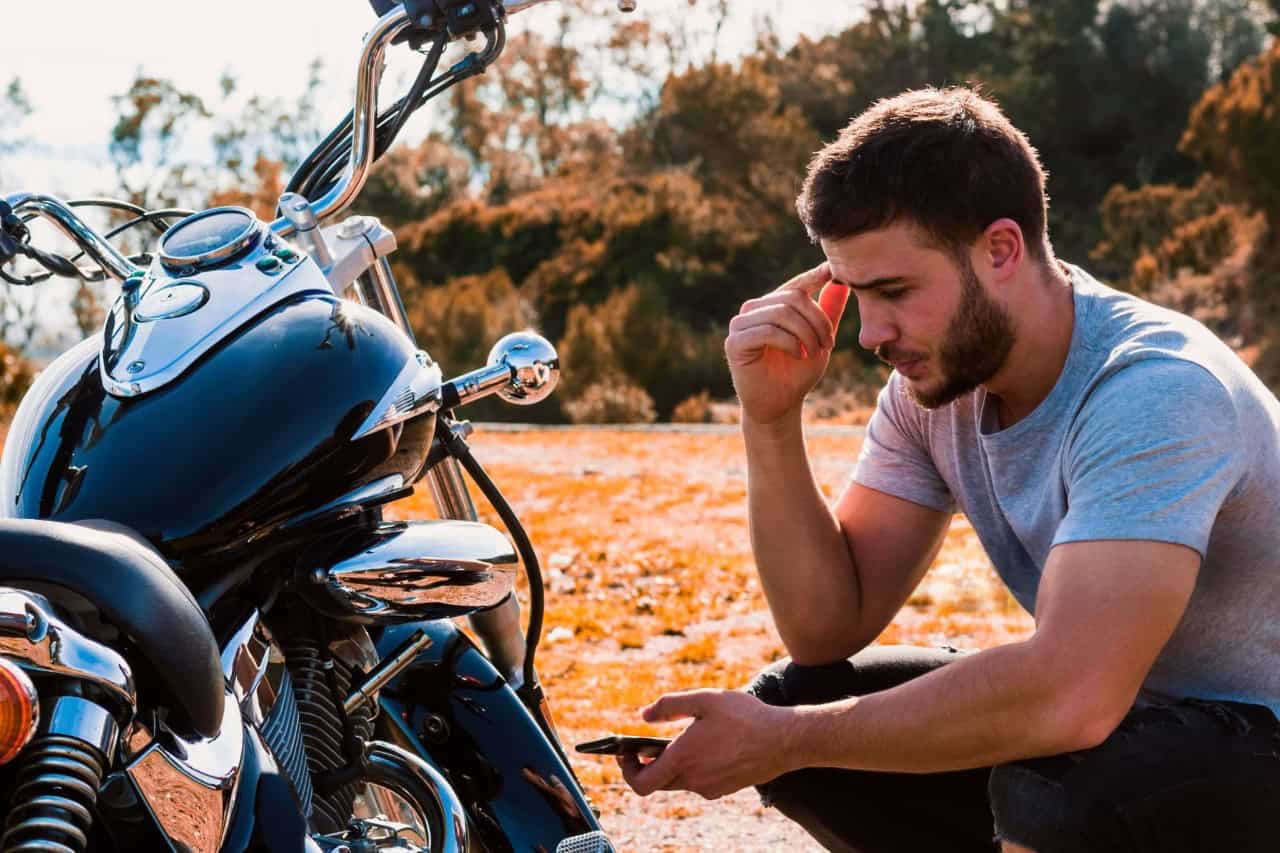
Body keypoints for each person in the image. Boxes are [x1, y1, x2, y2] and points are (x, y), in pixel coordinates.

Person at [617, 87, 1280, 852]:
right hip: (1132, 731)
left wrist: (788, 738)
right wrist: (769, 420)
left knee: (1055, 778)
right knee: (798, 700)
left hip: (1253, 747)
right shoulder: (932, 392)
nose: (871, 332)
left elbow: (1073, 696)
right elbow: (825, 627)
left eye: (895, 290)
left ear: (1000, 249)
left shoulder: (1154, 388)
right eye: (855, 293)